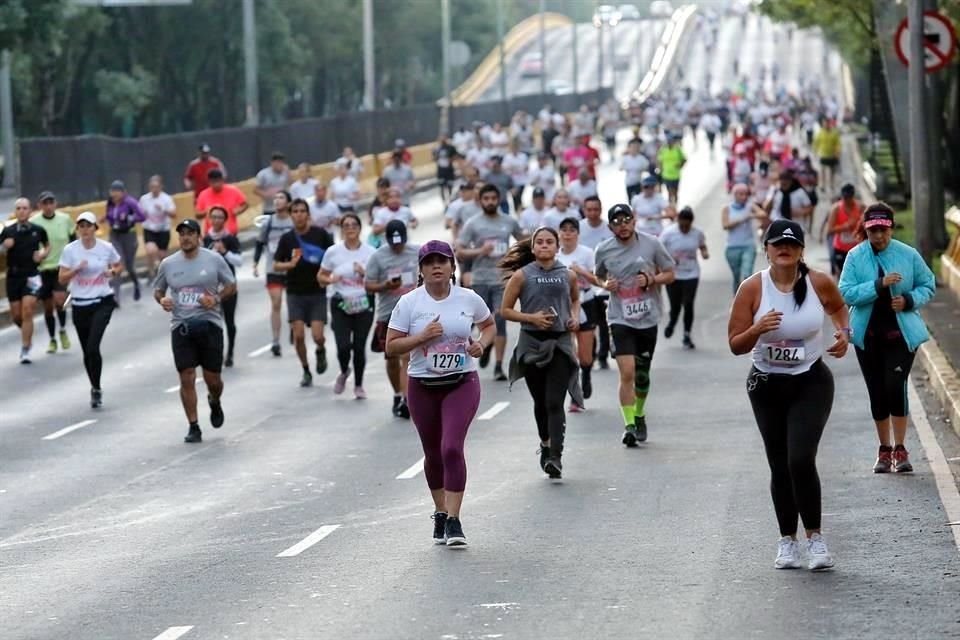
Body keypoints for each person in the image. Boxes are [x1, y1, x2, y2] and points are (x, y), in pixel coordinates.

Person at [728, 214, 848, 574]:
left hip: (810, 381)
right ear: (766, 250)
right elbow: (735, 344)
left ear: (800, 250)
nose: (784, 249)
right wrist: (757, 329)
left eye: (791, 244)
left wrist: (845, 333)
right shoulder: (752, 288)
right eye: (778, 244)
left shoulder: (818, 282)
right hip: (766, 385)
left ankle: (815, 539)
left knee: (800, 459)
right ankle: (787, 541)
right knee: (779, 463)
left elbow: (839, 308)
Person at [385, 240, 496, 546]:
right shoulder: (409, 303)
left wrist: (481, 345)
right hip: (422, 385)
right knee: (433, 453)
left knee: (450, 447)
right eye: (429, 262)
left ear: (452, 267)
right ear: (420, 270)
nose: (437, 267)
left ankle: (455, 520)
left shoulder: (468, 298)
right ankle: (440, 511)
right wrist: (421, 337)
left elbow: (488, 325)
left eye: (442, 261)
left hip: (461, 382)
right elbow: (391, 346)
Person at [839, 203, 936, 474]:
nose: (878, 236)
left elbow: (928, 284)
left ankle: (901, 448)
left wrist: (907, 300)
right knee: (877, 392)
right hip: (867, 337)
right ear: (866, 231)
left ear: (891, 227)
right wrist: (877, 286)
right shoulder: (856, 257)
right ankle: (884, 450)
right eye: (873, 231)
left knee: (895, 385)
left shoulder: (908, 255)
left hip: (900, 336)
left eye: (883, 230)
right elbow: (845, 293)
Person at [500, 227, 581, 478]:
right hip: (532, 343)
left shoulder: (569, 275)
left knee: (554, 402)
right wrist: (531, 318)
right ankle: (545, 444)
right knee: (540, 403)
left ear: (557, 247)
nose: (545, 245)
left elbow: (575, 300)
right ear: (533, 248)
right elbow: (505, 310)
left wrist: (574, 318)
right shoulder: (522, 276)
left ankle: (556, 456)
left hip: (560, 343)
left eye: (550, 242)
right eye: (540, 242)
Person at [595, 204, 675, 446]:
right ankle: (629, 425)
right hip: (620, 317)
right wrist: (605, 284)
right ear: (610, 227)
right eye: (617, 222)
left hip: (647, 317)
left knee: (642, 374)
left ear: (634, 220)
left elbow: (670, 273)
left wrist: (652, 278)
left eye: (626, 220)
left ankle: (639, 414)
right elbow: (598, 275)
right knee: (627, 371)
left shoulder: (651, 243)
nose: (623, 225)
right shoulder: (604, 250)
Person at [154, 219, 237, 444]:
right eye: (182, 234)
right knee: (186, 376)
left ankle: (214, 400)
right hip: (181, 326)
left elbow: (231, 285)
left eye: (190, 233)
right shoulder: (168, 264)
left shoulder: (213, 259)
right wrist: (163, 300)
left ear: (198, 236)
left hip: (209, 325)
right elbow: (158, 290)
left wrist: (216, 298)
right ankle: (193, 425)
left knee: (213, 380)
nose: (186, 238)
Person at [456, 184, 527, 380]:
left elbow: (523, 242)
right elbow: (459, 250)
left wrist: (516, 259)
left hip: (502, 280)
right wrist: (480, 251)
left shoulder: (508, 221)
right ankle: (486, 346)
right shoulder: (473, 223)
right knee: (483, 321)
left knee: (500, 320)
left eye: (493, 199)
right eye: (486, 199)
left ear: (498, 199)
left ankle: (498, 366)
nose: (489, 202)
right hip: (480, 279)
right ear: (480, 200)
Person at [58, 211, 121, 407]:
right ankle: (96, 386)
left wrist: (112, 272)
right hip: (79, 304)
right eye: (81, 226)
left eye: (89, 226)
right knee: (87, 351)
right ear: (77, 229)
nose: (85, 230)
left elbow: (118, 266)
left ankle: (96, 387)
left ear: (95, 228)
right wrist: (76, 269)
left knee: (94, 345)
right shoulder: (70, 250)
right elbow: (62, 278)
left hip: (102, 300)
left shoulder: (105, 248)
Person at [273, 198, 335, 387]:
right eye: (295, 211)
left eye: (302, 211)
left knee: (318, 335)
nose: (298, 214)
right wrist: (289, 264)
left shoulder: (320, 234)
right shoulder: (287, 239)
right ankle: (306, 370)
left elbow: (333, 256)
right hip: (295, 293)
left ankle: (320, 349)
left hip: (316, 292)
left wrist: (330, 275)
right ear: (291, 215)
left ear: (308, 214)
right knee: (298, 335)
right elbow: (276, 264)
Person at [318, 213, 376, 398]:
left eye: (354, 225)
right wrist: (331, 279)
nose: (350, 228)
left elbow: (378, 279)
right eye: (346, 225)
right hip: (340, 302)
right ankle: (344, 371)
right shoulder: (333, 252)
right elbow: (321, 277)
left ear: (360, 228)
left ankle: (359, 385)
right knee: (343, 346)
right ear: (341, 230)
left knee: (359, 346)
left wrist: (364, 272)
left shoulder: (370, 252)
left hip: (364, 302)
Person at [365, 219, 419, 418]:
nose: (397, 246)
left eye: (400, 242)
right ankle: (398, 393)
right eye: (394, 242)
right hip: (388, 312)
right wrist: (385, 286)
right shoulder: (378, 257)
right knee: (391, 358)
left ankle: (407, 399)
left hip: (413, 312)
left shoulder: (416, 252)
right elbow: (368, 284)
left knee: (407, 356)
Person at [556, 216, 602, 409]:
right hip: (564, 306)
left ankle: (587, 373)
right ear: (559, 234)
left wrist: (580, 271)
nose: (567, 233)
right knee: (568, 353)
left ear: (577, 234)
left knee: (585, 355)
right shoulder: (555, 257)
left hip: (587, 302)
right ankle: (575, 395)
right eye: (564, 229)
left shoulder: (587, 253)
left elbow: (599, 280)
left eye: (572, 230)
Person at [2, 197, 50, 363]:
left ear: (30, 211)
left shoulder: (38, 230)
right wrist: (3, 247)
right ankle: (27, 332)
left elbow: (47, 245)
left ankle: (25, 348)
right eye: (19, 208)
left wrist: (43, 254)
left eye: (25, 208)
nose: (22, 211)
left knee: (27, 310)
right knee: (16, 316)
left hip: (32, 274)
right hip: (14, 276)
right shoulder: (8, 231)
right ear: (15, 212)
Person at [30, 191, 75, 354]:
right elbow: (29, 244)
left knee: (60, 300)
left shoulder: (64, 219)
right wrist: (36, 256)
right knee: (48, 307)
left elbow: (73, 240)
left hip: (61, 267)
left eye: (51, 202)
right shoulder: (34, 222)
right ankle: (52, 339)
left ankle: (62, 329)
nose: (48, 206)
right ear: (40, 206)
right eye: (45, 203)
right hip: (43, 269)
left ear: (55, 204)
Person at [253, 192, 295, 356]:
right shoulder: (269, 222)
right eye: (275, 198)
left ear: (289, 203)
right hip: (273, 268)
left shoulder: (293, 221)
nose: (277, 201)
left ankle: (294, 326)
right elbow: (259, 242)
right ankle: (276, 340)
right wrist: (256, 263)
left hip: (291, 269)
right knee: (276, 303)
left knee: (292, 302)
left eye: (281, 198)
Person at [659, 207, 709, 349]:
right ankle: (672, 322)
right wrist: (667, 260)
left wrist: (704, 253)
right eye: (682, 225)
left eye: (687, 225)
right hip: (673, 274)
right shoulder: (669, 233)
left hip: (691, 273)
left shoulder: (697, 233)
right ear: (678, 221)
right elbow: (658, 250)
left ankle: (687, 334)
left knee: (688, 303)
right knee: (675, 306)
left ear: (691, 223)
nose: (685, 228)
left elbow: (702, 246)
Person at [202, 207, 242, 367]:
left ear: (225, 220)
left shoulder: (230, 239)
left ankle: (230, 352)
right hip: (210, 287)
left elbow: (239, 261)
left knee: (229, 321)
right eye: (213, 217)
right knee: (211, 322)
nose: (216, 220)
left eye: (219, 217)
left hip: (228, 287)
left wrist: (225, 252)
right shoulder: (205, 240)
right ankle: (215, 352)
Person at [578, 196, 613, 369]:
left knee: (604, 322)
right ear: (584, 210)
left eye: (596, 209)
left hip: (604, 282)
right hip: (584, 284)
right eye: (589, 209)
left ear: (601, 210)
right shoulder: (579, 228)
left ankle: (603, 355)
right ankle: (589, 354)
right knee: (588, 323)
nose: (592, 213)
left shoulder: (608, 229)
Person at [103, 180, 146, 303]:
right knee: (117, 263)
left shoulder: (130, 202)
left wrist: (129, 218)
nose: (114, 194)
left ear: (123, 192)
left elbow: (142, 216)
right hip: (115, 235)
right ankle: (116, 296)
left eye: (117, 191)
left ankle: (136, 283)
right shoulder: (110, 203)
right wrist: (107, 219)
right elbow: (109, 215)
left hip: (129, 235)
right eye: (112, 191)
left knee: (129, 266)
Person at [722, 183, 766, 293]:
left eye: (746, 194)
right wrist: (742, 219)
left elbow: (763, 214)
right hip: (732, 247)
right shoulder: (727, 208)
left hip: (748, 245)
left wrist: (752, 215)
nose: (744, 197)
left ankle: (748, 297)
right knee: (737, 276)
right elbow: (725, 225)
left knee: (747, 274)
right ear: (735, 195)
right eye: (741, 194)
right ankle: (737, 298)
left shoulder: (750, 206)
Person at [139, 176, 177, 279]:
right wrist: (142, 215)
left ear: (161, 187)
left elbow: (174, 214)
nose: (154, 189)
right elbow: (139, 213)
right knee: (150, 250)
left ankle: (160, 273)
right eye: (152, 187)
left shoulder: (166, 199)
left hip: (163, 229)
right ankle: (151, 272)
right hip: (150, 228)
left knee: (162, 256)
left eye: (156, 187)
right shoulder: (144, 199)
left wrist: (164, 209)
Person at [195, 169, 248, 236]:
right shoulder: (203, 194)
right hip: (211, 234)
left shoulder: (233, 191)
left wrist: (238, 211)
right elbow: (197, 214)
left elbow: (245, 204)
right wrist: (206, 211)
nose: (216, 184)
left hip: (230, 233)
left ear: (222, 180)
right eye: (213, 182)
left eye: (218, 181)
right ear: (209, 182)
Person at [824, 183, 862, 278]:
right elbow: (829, 230)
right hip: (840, 248)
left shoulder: (861, 208)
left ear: (852, 196)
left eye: (849, 197)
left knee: (857, 274)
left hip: (856, 247)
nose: (846, 200)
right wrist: (846, 226)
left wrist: (858, 225)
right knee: (841, 274)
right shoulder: (836, 209)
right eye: (844, 198)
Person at [813, 119, 840, 195]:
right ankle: (823, 185)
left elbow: (838, 143)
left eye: (827, 123)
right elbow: (816, 142)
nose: (826, 125)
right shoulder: (820, 132)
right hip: (823, 155)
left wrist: (837, 153)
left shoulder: (834, 132)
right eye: (825, 123)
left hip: (832, 155)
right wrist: (815, 152)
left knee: (832, 171)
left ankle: (831, 184)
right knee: (822, 171)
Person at [656, 134, 686, 205]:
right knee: (669, 191)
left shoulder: (677, 149)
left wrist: (680, 165)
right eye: (668, 141)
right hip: (666, 175)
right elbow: (659, 160)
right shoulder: (663, 150)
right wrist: (660, 169)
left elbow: (684, 159)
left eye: (671, 141)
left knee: (675, 192)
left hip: (676, 175)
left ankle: (675, 204)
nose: (669, 143)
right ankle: (670, 206)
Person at [502, 140, 529, 213]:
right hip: (512, 181)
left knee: (519, 197)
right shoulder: (507, 157)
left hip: (521, 180)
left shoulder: (523, 156)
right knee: (515, 198)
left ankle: (519, 211)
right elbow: (504, 168)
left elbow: (526, 167)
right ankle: (518, 211)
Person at [433, 135, 458, 204]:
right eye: (441, 138)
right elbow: (434, 158)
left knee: (450, 186)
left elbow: (456, 155)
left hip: (449, 170)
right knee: (441, 187)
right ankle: (444, 202)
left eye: (444, 138)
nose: (442, 140)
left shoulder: (451, 147)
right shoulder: (436, 148)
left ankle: (450, 199)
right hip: (441, 171)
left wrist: (451, 159)